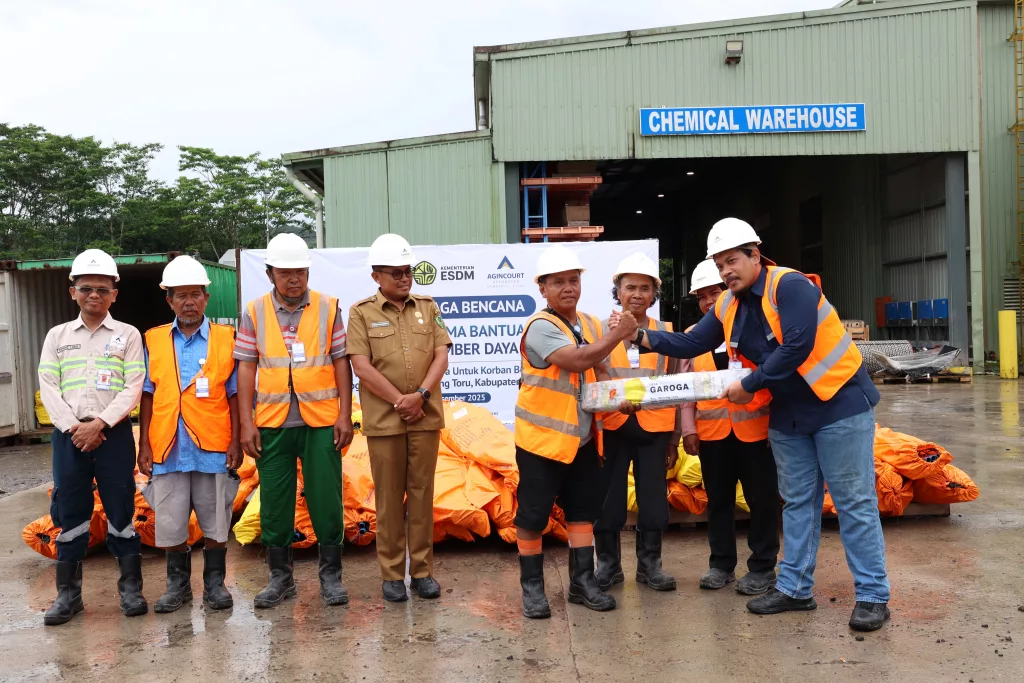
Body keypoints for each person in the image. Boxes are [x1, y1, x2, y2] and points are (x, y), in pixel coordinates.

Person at [622, 217, 891, 632]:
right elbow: (694, 342)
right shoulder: (728, 304)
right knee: (797, 502)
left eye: (732, 261)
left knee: (853, 502)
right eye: (720, 264)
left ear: (755, 255)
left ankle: (873, 596)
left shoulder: (790, 286)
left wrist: (749, 385)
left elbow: (797, 345)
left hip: (838, 404)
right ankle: (795, 589)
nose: (726, 271)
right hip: (788, 412)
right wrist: (641, 336)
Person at [514, 244, 640, 619]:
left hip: (583, 440)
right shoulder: (540, 327)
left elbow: (600, 370)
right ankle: (532, 589)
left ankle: (582, 582)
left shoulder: (589, 323)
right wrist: (620, 334)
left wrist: (618, 398)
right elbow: (579, 359)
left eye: (573, 280)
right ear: (543, 288)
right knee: (533, 517)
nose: (568, 287)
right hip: (542, 442)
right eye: (558, 282)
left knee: (583, 514)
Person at [235, 232, 354, 609]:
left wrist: (345, 414)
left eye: (300, 272)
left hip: (321, 422)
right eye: (285, 273)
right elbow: (246, 368)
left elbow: (341, 361)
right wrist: (246, 423)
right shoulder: (254, 311)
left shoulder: (328, 307)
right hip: (272, 423)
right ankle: (280, 578)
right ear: (270, 274)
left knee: (326, 499)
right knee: (274, 501)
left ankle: (331, 577)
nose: (294, 279)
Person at [37, 249, 147, 625]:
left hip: (113, 435)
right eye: (86, 288)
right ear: (73, 292)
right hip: (69, 436)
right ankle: (68, 596)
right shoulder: (57, 336)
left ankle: (131, 590)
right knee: (70, 510)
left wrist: (99, 424)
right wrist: (75, 427)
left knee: (121, 507)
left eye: (102, 289)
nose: (94, 295)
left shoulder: (128, 335)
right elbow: (48, 386)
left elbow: (133, 386)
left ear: (114, 294)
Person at [348, 234, 451, 603]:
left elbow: (441, 354)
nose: (405, 278)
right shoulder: (361, 313)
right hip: (385, 421)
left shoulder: (428, 305)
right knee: (389, 499)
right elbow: (361, 366)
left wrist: (420, 396)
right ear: (376, 276)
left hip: (425, 415)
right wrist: (399, 401)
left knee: (422, 495)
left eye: (408, 271)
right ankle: (392, 574)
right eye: (396, 273)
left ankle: (422, 572)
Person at [137, 255, 241, 613]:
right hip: (168, 446)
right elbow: (147, 394)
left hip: (213, 446)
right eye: (181, 296)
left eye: (196, 294)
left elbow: (234, 394)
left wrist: (236, 441)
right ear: (169, 300)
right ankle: (177, 586)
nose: (189, 302)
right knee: (170, 522)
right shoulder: (153, 339)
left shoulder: (226, 338)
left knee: (216, 521)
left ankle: (215, 585)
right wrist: (144, 444)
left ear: (206, 298)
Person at [684, 259, 779, 595]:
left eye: (715, 292)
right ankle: (721, 565)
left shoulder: (756, 330)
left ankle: (763, 567)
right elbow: (687, 390)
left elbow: (776, 379)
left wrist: (777, 429)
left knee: (762, 501)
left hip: (757, 434)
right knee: (719, 501)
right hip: (713, 437)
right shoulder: (693, 338)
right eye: (702, 296)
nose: (709, 301)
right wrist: (688, 429)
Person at [593, 252, 681, 593]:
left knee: (653, 498)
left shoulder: (666, 333)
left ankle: (650, 565)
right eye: (630, 287)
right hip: (612, 426)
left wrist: (674, 438)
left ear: (654, 294)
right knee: (608, 498)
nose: (637, 295)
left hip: (655, 428)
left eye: (645, 288)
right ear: (618, 291)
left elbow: (676, 386)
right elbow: (593, 378)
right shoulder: (600, 330)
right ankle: (608, 565)